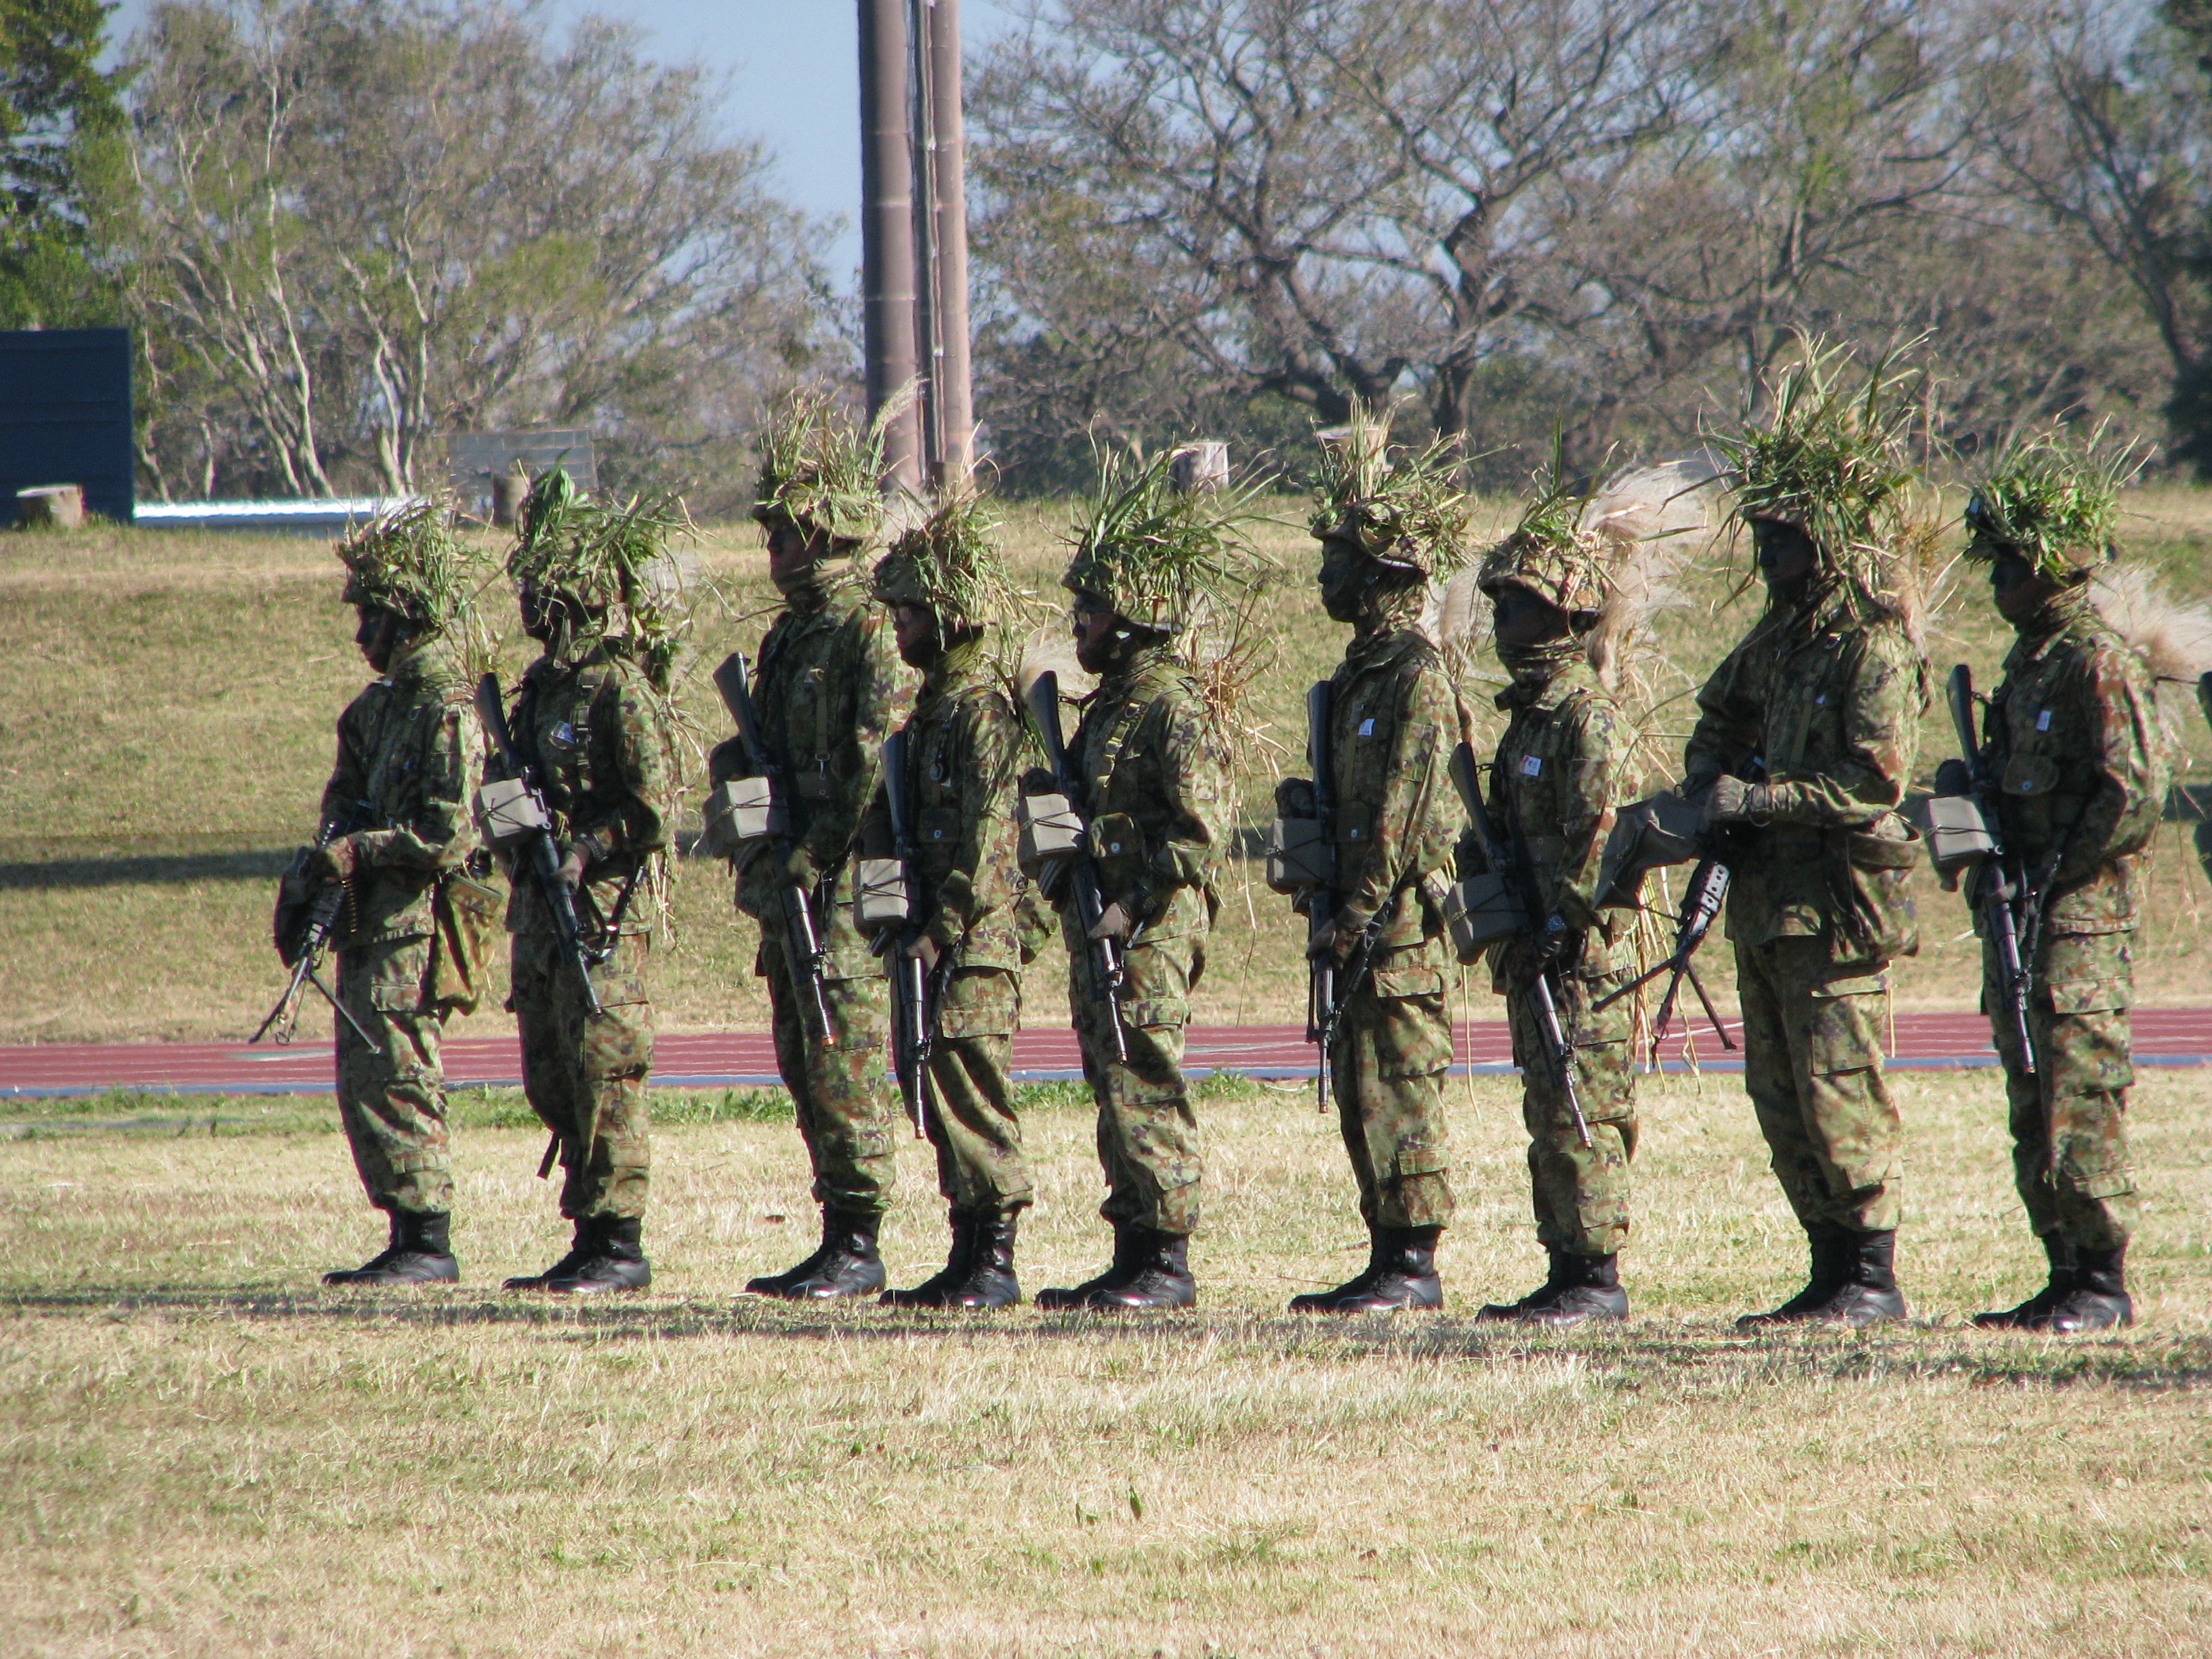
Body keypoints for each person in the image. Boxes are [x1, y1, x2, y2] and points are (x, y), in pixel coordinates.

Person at [1683, 341, 1931, 1327]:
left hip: (1837, 905)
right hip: (1768, 906)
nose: (1766, 557)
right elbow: (1717, 713)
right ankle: (1829, 1268)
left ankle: (1872, 1275)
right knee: (1780, 1094)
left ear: (1824, 541)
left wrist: (1759, 802)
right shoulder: (1776, 642)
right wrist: (1713, 781)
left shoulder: (1868, 645)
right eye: (1761, 540)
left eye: (1782, 540)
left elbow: (1872, 782)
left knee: (1839, 1087)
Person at [1030, 449, 1265, 1311]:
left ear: (1130, 618)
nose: (1078, 623)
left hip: (1154, 924)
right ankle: (1132, 1250)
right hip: (1104, 924)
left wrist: (1128, 908)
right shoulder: (1108, 710)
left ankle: (1166, 1261)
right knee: (1110, 1076)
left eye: (1089, 607)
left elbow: (1201, 834)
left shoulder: (1172, 706)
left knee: (1145, 1069)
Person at [1957, 433, 2166, 1332]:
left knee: (2080, 1096)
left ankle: (2102, 1282)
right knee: (2031, 1095)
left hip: (2076, 926)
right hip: (2025, 917)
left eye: (2010, 563)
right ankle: (2062, 1268)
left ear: (2051, 565)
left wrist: (2058, 871)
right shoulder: (2028, 662)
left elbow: (2136, 794)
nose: (1996, 580)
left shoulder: (2095, 661)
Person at [724, 394, 914, 1300]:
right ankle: (836, 1227)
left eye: (787, 533)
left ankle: (861, 1239)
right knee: (803, 1052)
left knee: (843, 1049)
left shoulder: (864, 627)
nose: (772, 551)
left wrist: (822, 852)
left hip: (841, 878)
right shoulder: (789, 632)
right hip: (793, 871)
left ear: (829, 535)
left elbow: (873, 760)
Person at [1277, 410, 1465, 1313]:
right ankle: (1384, 1251)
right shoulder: (1360, 671)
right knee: (1362, 1092)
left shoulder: (1413, 677)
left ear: (1384, 569)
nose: (1325, 572)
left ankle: (1413, 1266)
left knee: (1400, 1089)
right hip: (1357, 920)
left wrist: (1357, 909)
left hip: (1397, 929)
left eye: (1339, 554)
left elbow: (1401, 809)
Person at [494, 470, 682, 1295]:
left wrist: (583, 849)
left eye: (540, 589)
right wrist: (508, 823)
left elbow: (654, 808)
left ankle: (618, 1240)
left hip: (601, 915)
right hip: (540, 912)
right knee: (551, 1070)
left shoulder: (618, 688)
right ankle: (585, 1229)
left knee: (606, 1070)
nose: (528, 603)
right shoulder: (535, 693)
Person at [1469, 470, 1647, 1324]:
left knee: (1586, 1107)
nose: (1503, 622)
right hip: (1535, 950)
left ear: (1567, 615)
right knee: (1549, 1108)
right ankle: (1564, 1263)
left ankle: (1596, 1278)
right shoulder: (1528, 719)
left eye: (1519, 605)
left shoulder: (1584, 716)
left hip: (1578, 957)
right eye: (1500, 605)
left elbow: (1604, 841)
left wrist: (1557, 925)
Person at [861, 489, 1038, 1307]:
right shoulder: (931, 714)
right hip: (934, 933)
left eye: (911, 609)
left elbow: (993, 841)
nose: (898, 624)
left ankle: (994, 1258)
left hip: (973, 940)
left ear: (952, 611)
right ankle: (966, 1250)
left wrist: (944, 927)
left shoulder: (980, 716)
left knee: (972, 1088)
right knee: (936, 1083)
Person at [307, 501, 492, 1286]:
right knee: (366, 1079)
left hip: (414, 931)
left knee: (403, 1077)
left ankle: (428, 1240)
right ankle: (403, 1230)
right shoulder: (374, 712)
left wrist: (364, 847)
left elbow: (448, 834)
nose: (360, 637)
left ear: (407, 617)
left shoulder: (445, 708)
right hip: (369, 926)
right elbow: (341, 802)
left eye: (372, 618)